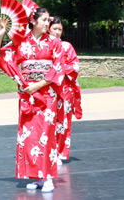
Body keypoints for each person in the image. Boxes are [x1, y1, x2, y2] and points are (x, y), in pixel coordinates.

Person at [0, 7, 65, 193]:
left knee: (46, 135)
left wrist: (38, 85)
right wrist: (0, 35)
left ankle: (47, 177)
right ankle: (35, 177)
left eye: (49, 21)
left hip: (47, 95)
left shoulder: (54, 43)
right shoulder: (21, 42)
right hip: (28, 96)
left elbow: (58, 69)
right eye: (45, 20)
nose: (48, 24)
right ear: (33, 21)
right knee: (29, 136)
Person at [48, 17, 82, 165]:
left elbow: (75, 66)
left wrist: (60, 70)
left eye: (59, 29)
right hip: (48, 89)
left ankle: (60, 152)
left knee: (64, 122)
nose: (57, 32)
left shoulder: (67, 46)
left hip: (65, 90)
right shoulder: (44, 46)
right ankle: (49, 151)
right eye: (54, 28)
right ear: (48, 28)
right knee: (49, 121)